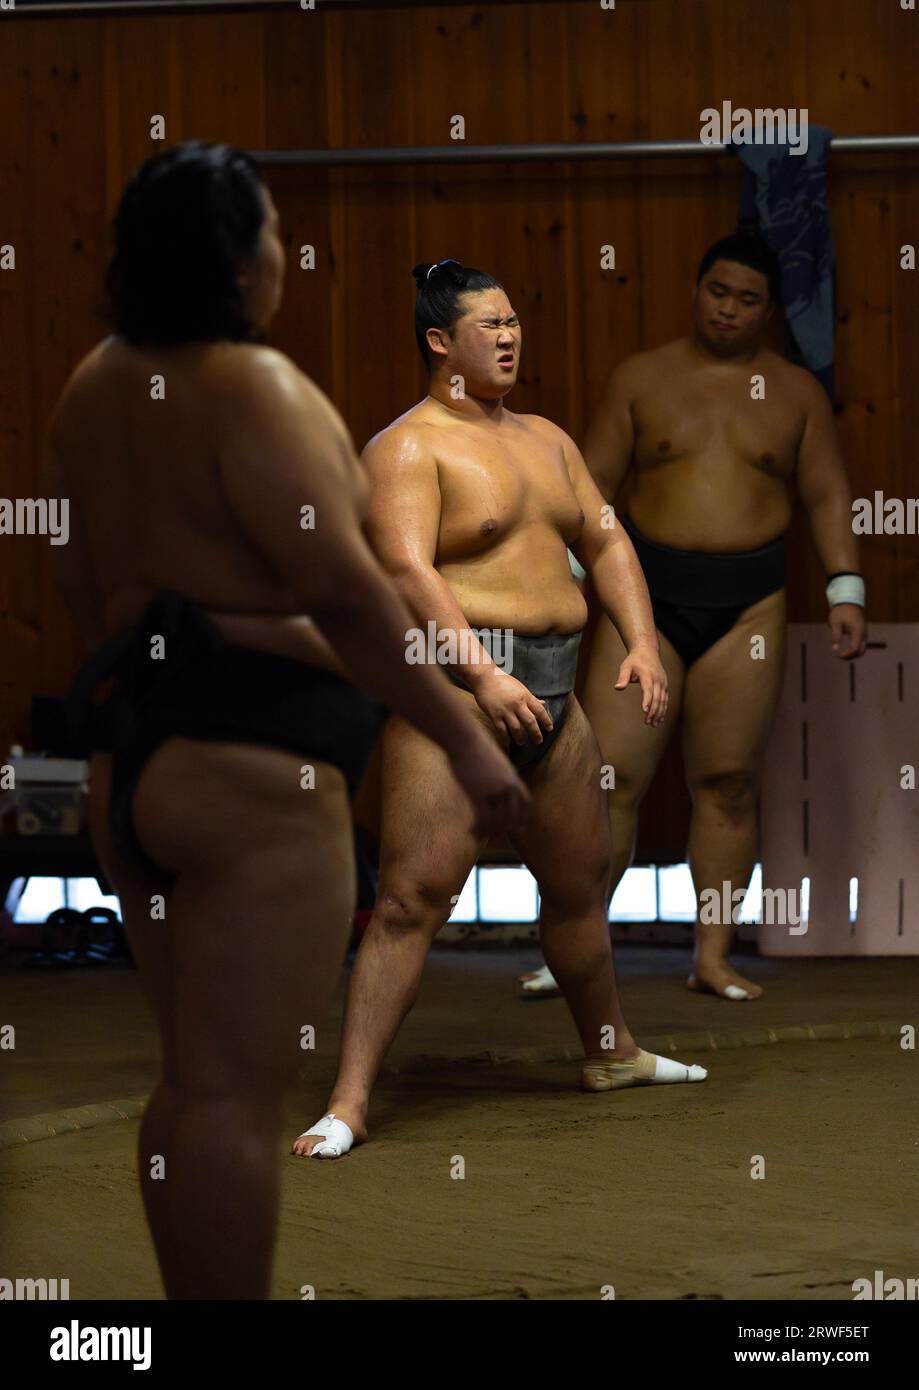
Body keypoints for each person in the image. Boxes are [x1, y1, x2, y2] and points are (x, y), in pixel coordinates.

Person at [45, 144, 529, 1299]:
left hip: (139, 754)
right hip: (250, 769)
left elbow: (79, 582)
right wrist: (464, 736)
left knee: (192, 1080)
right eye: (268, 229)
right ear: (234, 253)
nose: (280, 253)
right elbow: (353, 597)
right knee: (230, 1094)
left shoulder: (92, 385)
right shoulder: (250, 386)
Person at [293, 259, 707, 1162]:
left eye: (515, 320)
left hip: (555, 695)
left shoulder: (549, 440)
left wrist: (637, 637)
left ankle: (612, 1054)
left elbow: (604, 540)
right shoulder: (406, 447)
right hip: (458, 699)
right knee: (413, 899)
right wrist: (481, 677)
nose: (510, 336)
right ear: (441, 342)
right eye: (489, 325)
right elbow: (407, 573)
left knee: (576, 893)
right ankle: (350, 1101)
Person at [542, 233, 865, 1003]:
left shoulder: (793, 394)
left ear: (769, 311)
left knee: (727, 783)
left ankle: (711, 957)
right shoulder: (641, 379)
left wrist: (844, 590)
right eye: (716, 292)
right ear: (696, 291)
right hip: (641, 600)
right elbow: (593, 492)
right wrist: (561, 591)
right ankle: (576, 949)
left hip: (748, 603)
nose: (727, 309)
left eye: (746, 299)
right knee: (606, 780)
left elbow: (824, 494)